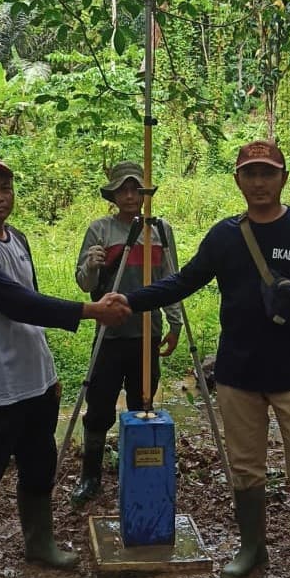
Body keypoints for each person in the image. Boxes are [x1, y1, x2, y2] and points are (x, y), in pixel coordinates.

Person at [111, 141, 290, 578]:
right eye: (250, 174)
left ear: (283, 178)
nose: (259, 182)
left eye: (267, 173)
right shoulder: (224, 236)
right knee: (245, 465)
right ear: (237, 179)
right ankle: (252, 548)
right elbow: (183, 281)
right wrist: (130, 300)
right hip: (238, 372)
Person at [0, 154, 129, 578]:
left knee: (39, 466)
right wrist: (90, 311)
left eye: (4, 187)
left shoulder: (18, 239)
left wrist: (48, 373)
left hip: (35, 382)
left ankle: (38, 542)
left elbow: (30, 313)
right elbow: (17, 302)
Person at [72, 161, 182, 504]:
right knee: (100, 407)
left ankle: (139, 471)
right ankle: (90, 476)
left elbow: (171, 278)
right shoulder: (100, 230)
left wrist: (175, 322)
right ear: (114, 194)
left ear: (145, 193)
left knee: (143, 405)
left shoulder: (161, 230)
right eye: (123, 189)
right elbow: (84, 282)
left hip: (147, 332)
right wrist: (92, 263)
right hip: (109, 333)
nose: (131, 196)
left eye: (136, 189)